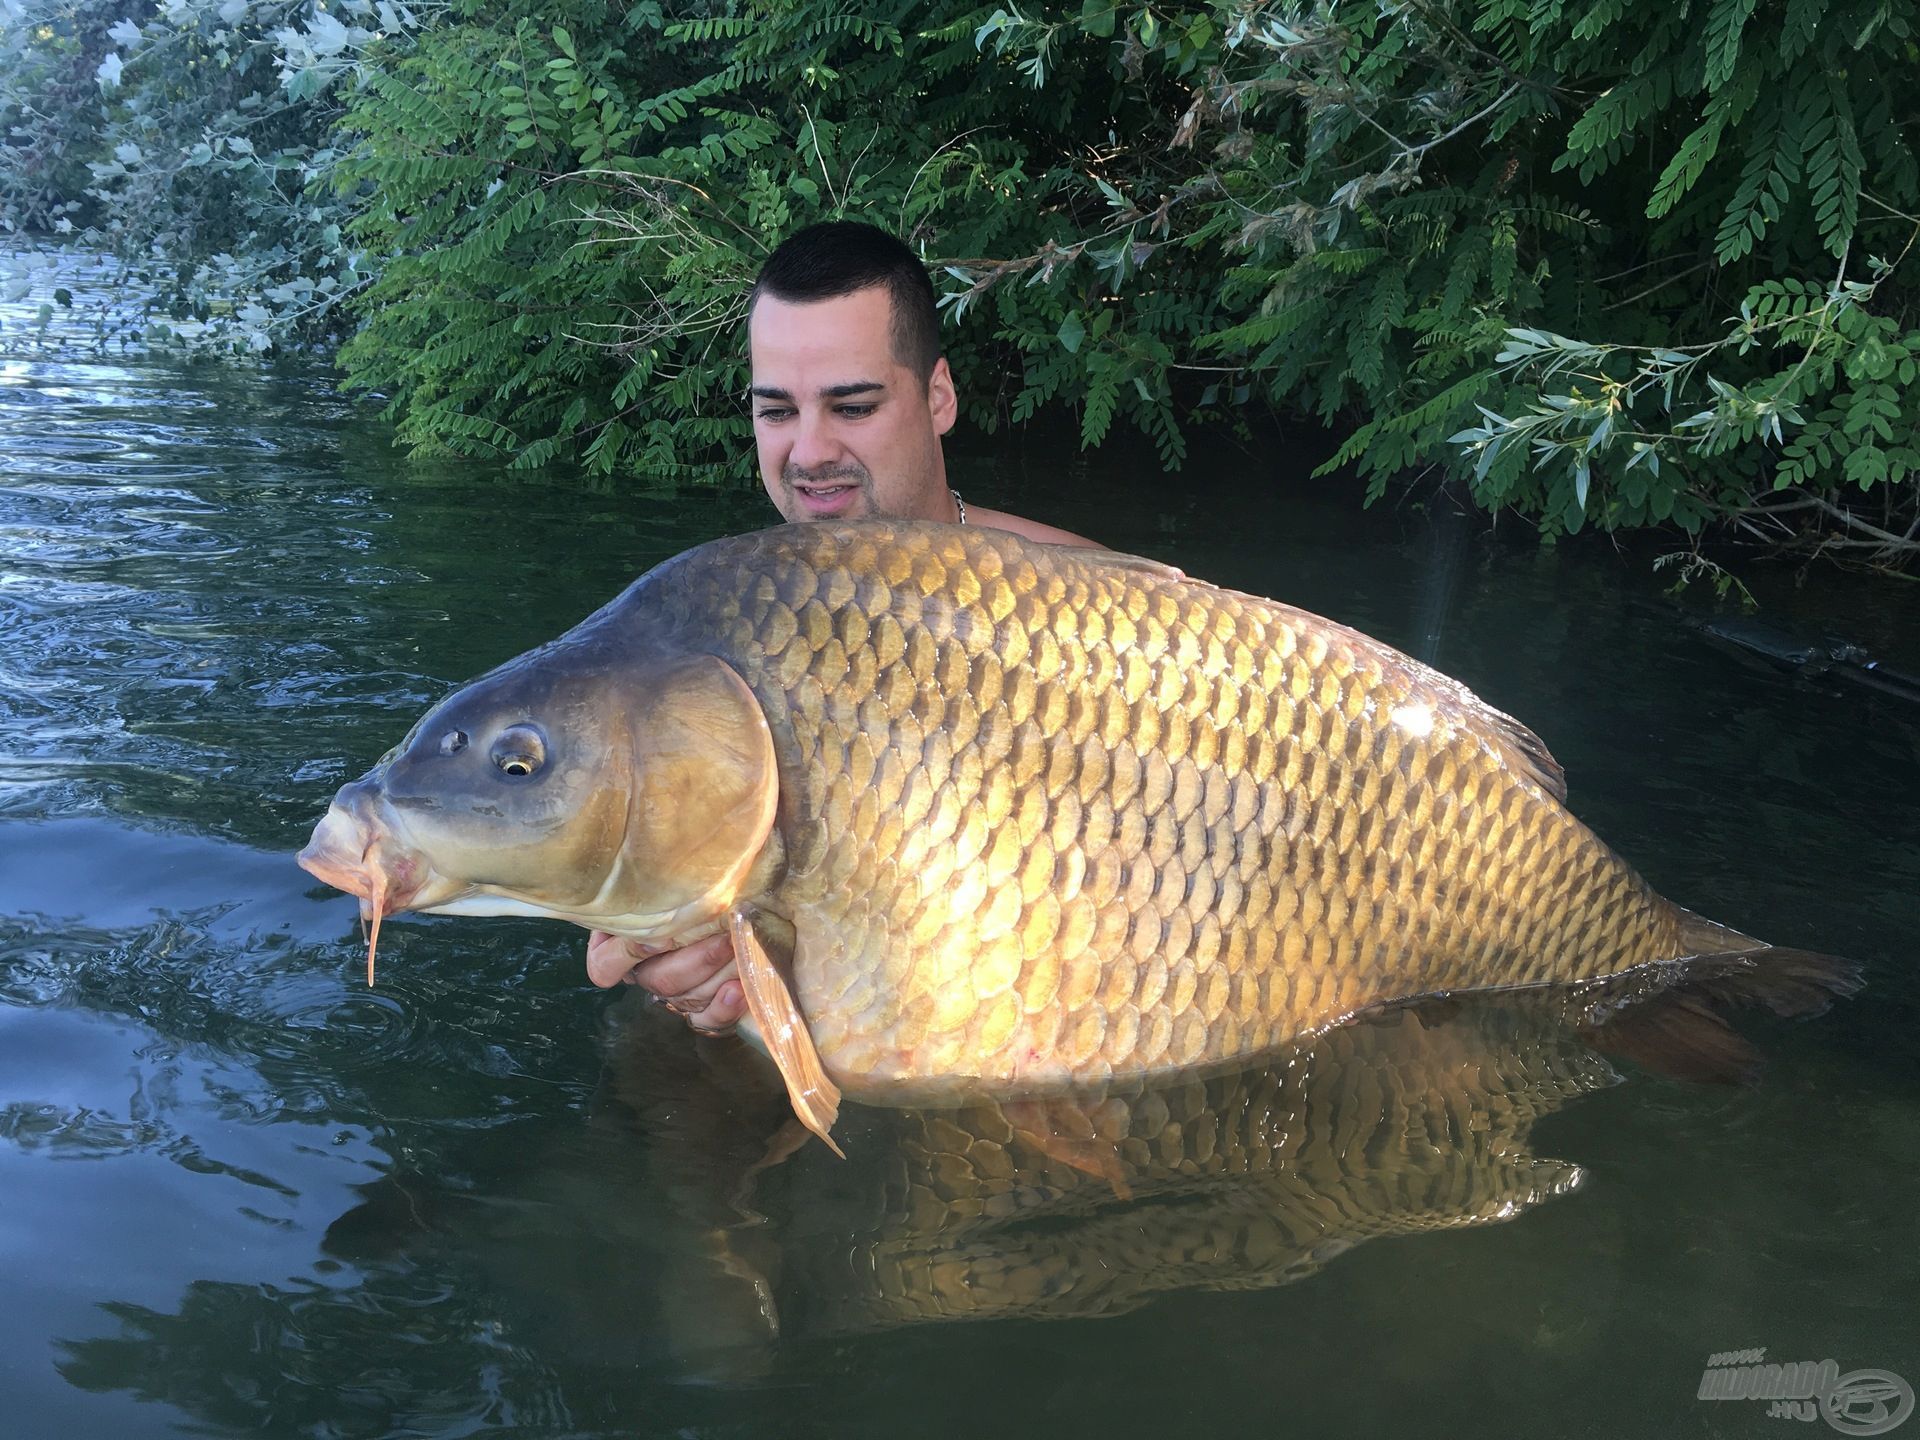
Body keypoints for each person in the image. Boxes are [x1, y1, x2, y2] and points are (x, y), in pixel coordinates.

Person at [586, 221, 1096, 1031]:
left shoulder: (1083, 612)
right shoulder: (701, 631)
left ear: (938, 398)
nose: (809, 451)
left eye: (851, 406)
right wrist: (663, 952)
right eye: (777, 411)